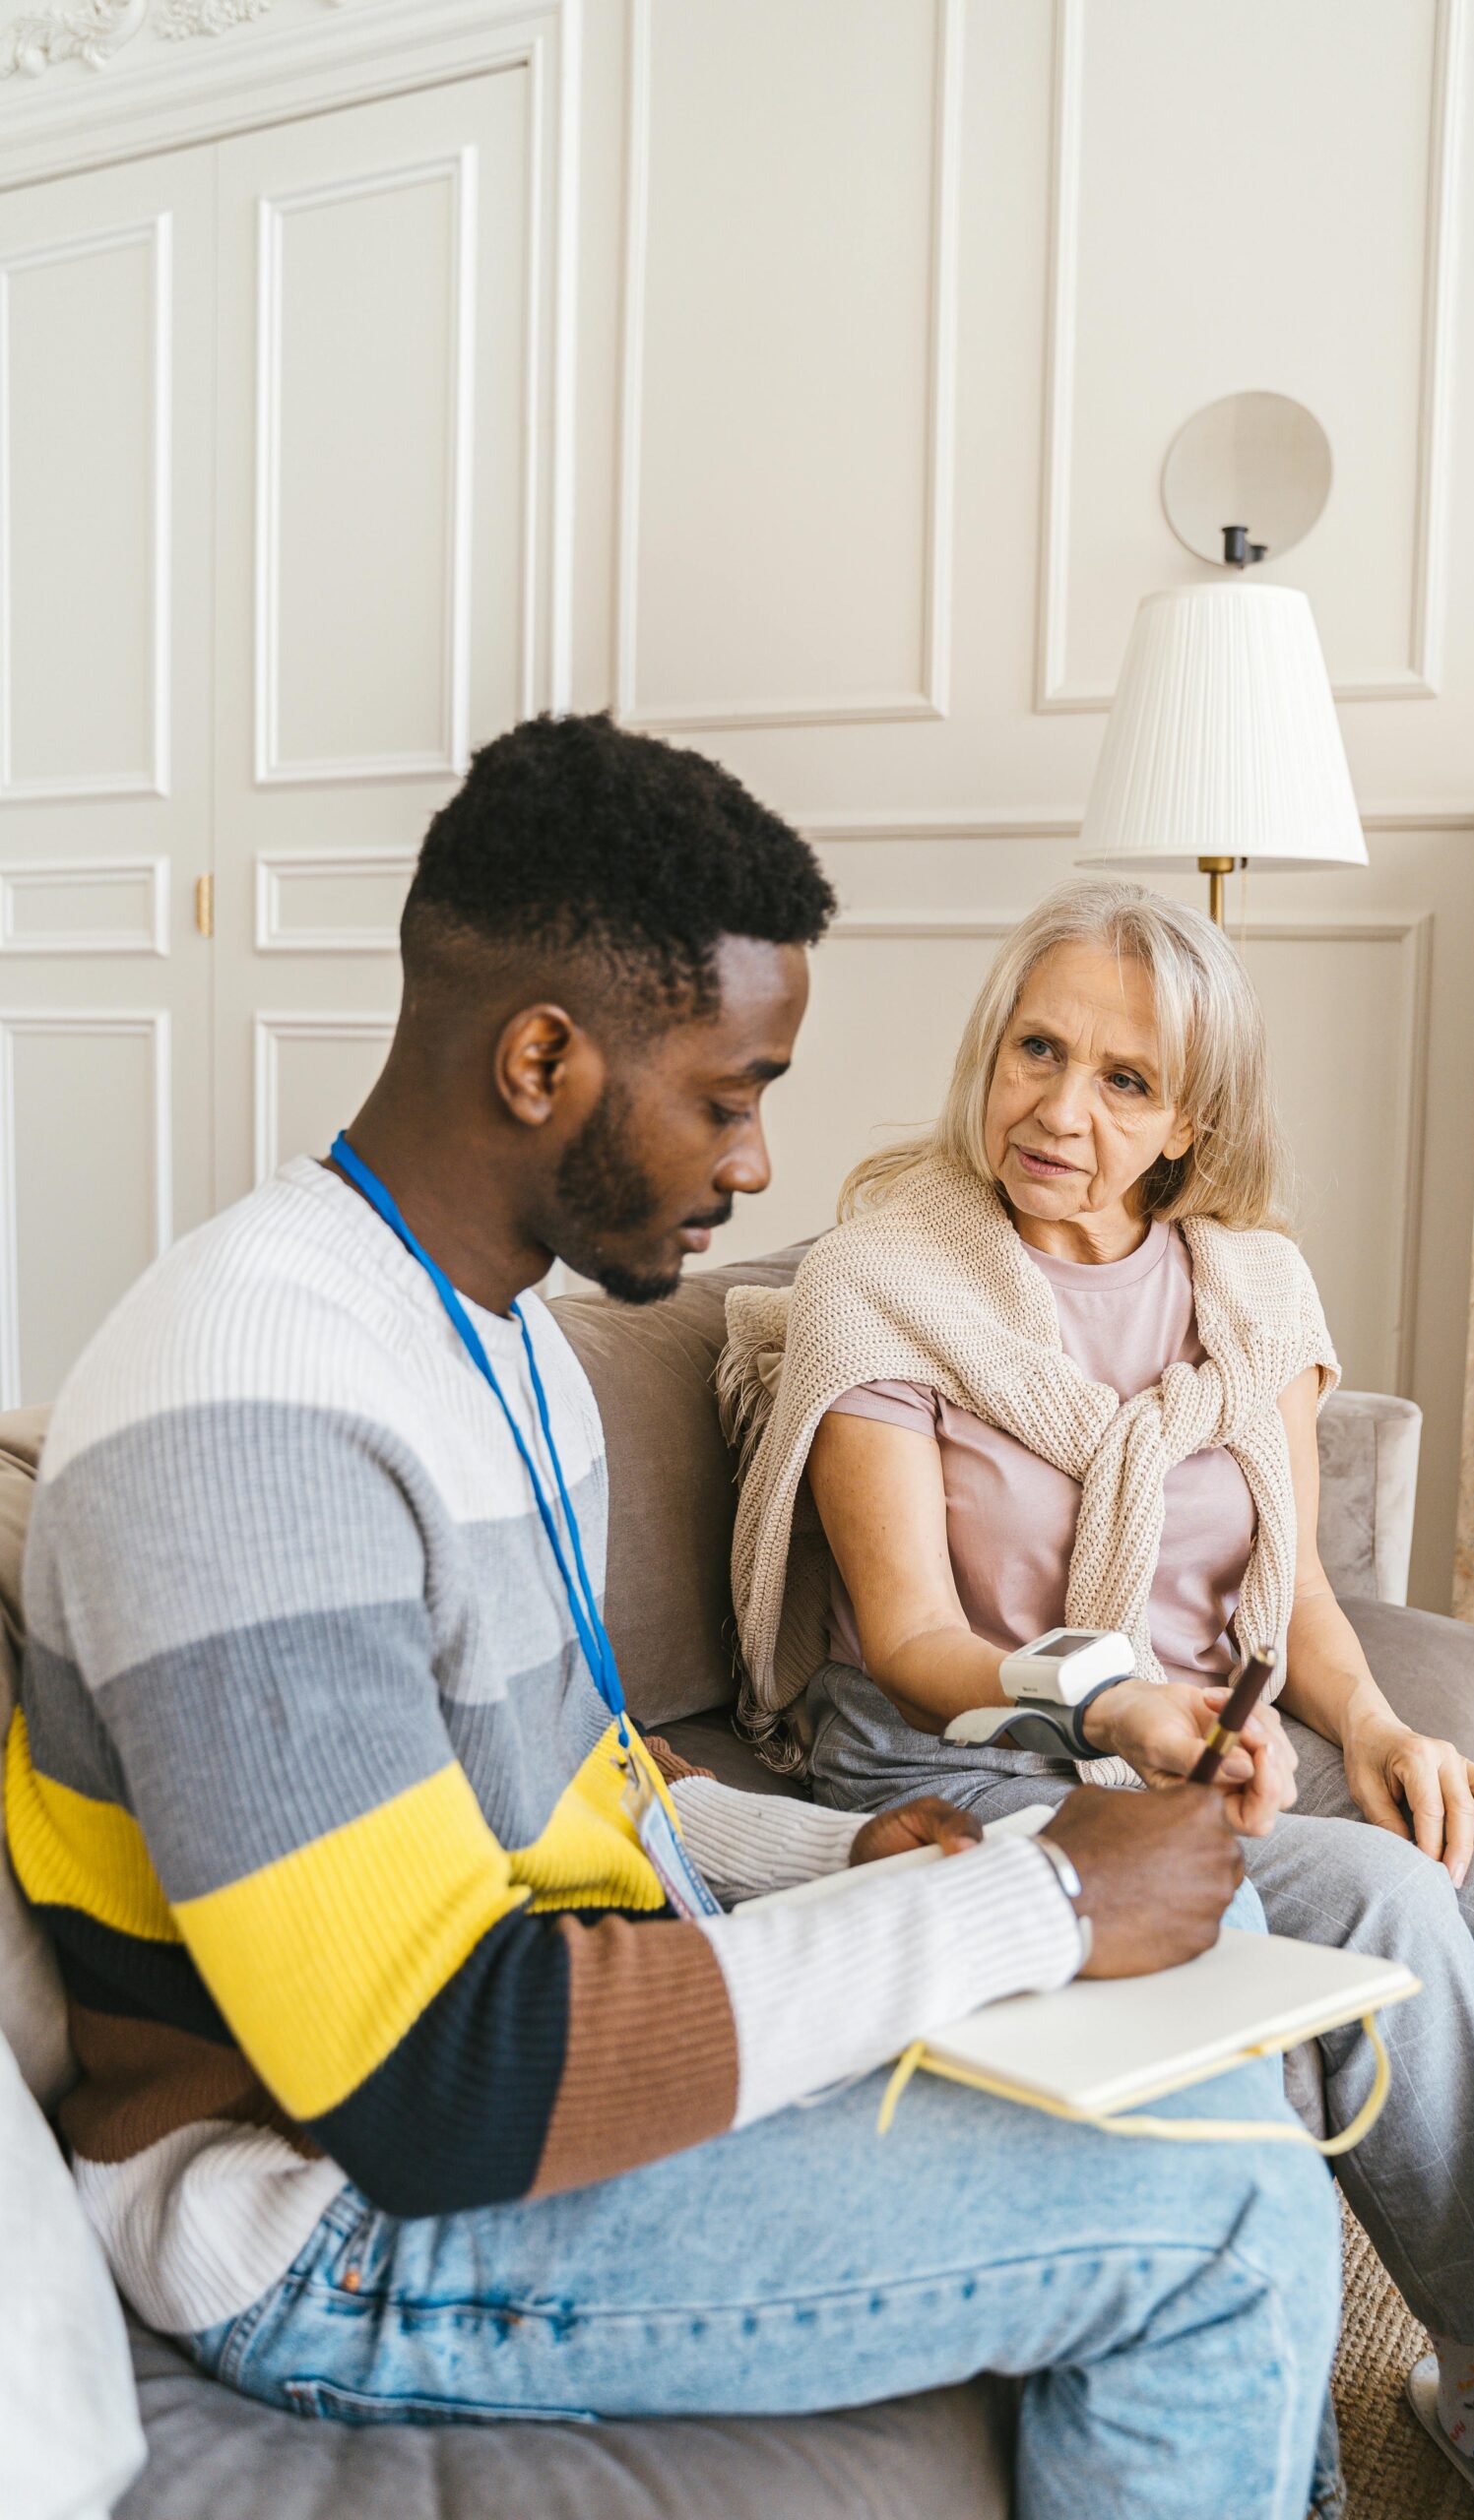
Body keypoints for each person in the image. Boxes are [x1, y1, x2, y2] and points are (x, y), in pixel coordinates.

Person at [6, 719, 1342, 2520]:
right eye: (730, 1096)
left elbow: (598, 1791)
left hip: (498, 2129)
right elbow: (427, 2082)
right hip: (328, 2222)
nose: (764, 1163)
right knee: (1223, 2214)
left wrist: (862, 1848)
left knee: (1218, 2096)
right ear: (545, 1060)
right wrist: (1029, 1901)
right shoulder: (243, 1410)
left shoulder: (506, 1349)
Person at [724, 873, 1474, 2520]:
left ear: (1189, 1123)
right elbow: (912, 1640)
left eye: (1124, 1081)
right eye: (1038, 1049)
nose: (1058, 1109)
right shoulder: (884, 1277)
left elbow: (1293, 1586)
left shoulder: (1247, 1291)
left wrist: (1379, 1731)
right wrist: (1107, 1710)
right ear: (989, 1049)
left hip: (1208, 1744)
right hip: (979, 1767)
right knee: (1383, 1899)